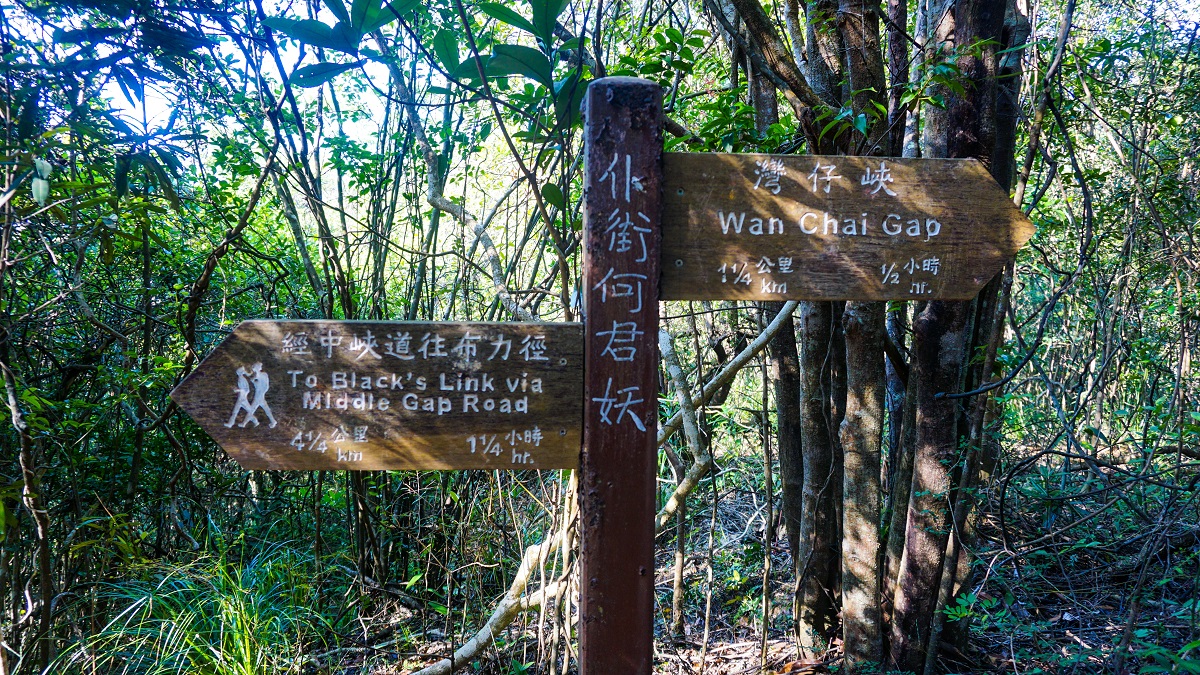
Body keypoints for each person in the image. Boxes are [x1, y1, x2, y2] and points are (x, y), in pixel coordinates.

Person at [245, 362, 278, 428]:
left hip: (259, 396)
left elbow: (262, 381)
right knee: (265, 409)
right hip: (259, 395)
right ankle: (273, 421)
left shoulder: (263, 375)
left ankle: (245, 422)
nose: (261, 367)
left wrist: (254, 374)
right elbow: (256, 384)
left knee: (252, 409)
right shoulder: (257, 377)